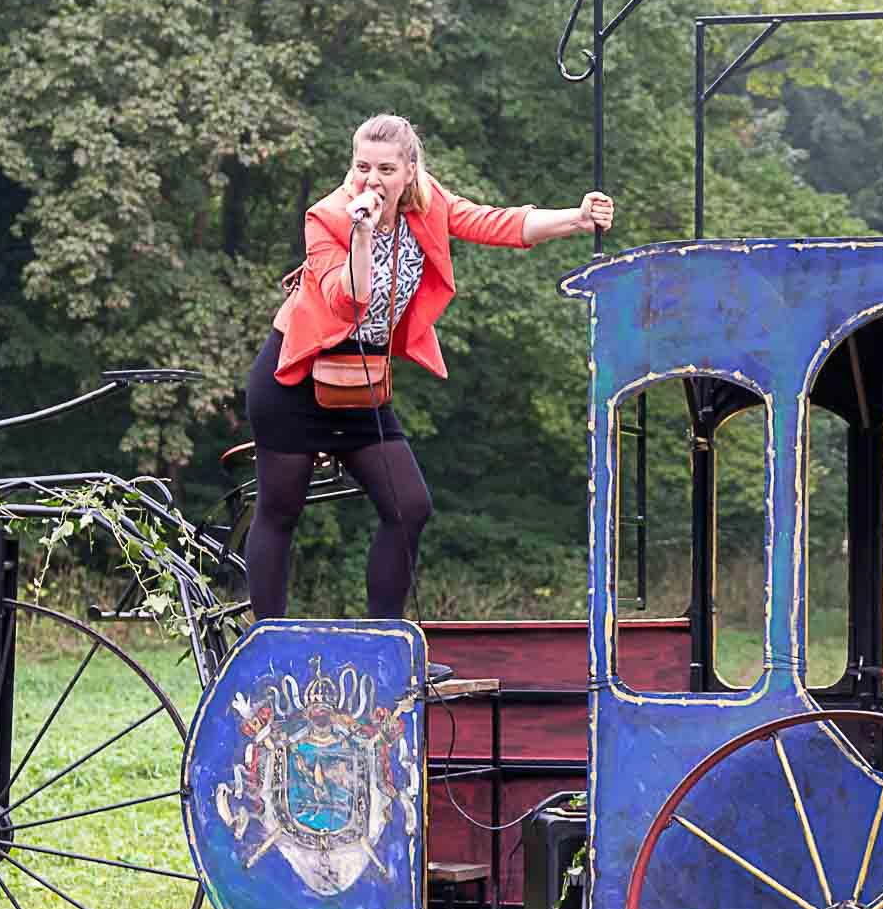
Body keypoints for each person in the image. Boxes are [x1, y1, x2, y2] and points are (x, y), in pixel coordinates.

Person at [243, 112, 614, 651]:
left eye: (386, 169)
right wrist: (362, 233)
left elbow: (494, 224)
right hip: (294, 380)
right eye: (362, 166)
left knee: (409, 506)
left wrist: (575, 220)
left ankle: (383, 648)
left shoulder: (428, 203)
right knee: (280, 509)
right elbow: (350, 298)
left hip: (360, 379)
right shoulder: (327, 218)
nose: (372, 180)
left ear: (410, 169)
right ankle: (266, 646)